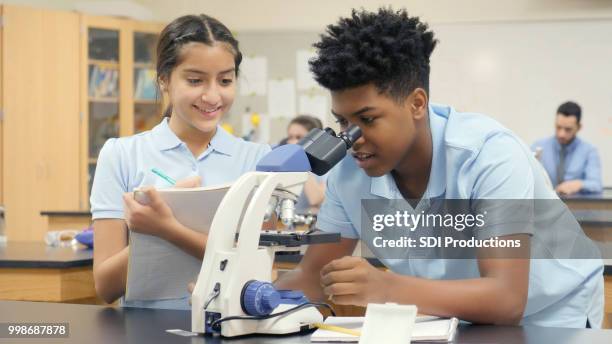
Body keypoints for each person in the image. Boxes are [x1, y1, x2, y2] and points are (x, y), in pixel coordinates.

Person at [275, 8, 603, 328]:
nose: (353, 138)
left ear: (417, 103)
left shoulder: (488, 155)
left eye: (368, 119)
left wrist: (387, 288)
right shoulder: (348, 173)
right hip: (455, 309)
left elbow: (506, 298)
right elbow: (312, 277)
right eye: (343, 121)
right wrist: (243, 295)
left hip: (553, 308)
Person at [90, 14, 270, 309]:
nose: (212, 96)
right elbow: (105, 286)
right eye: (195, 80)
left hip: (231, 328)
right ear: (164, 80)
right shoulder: (121, 155)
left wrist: (166, 229)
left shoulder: (258, 160)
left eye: (225, 80)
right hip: (143, 331)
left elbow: (264, 274)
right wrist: (149, 235)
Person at [532, 101, 602, 195]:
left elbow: (596, 185)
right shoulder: (538, 147)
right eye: (558, 127)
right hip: (545, 207)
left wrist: (579, 184)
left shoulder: (589, 151)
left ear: (579, 127)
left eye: (568, 129)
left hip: (577, 208)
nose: (562, 134)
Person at [283, 115, 327, 213]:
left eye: (299, 137)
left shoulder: (324, 166)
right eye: (290, 137)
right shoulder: (287, 165)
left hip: (311, 224)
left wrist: (301, 159)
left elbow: (315, 199)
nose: (293, 142)